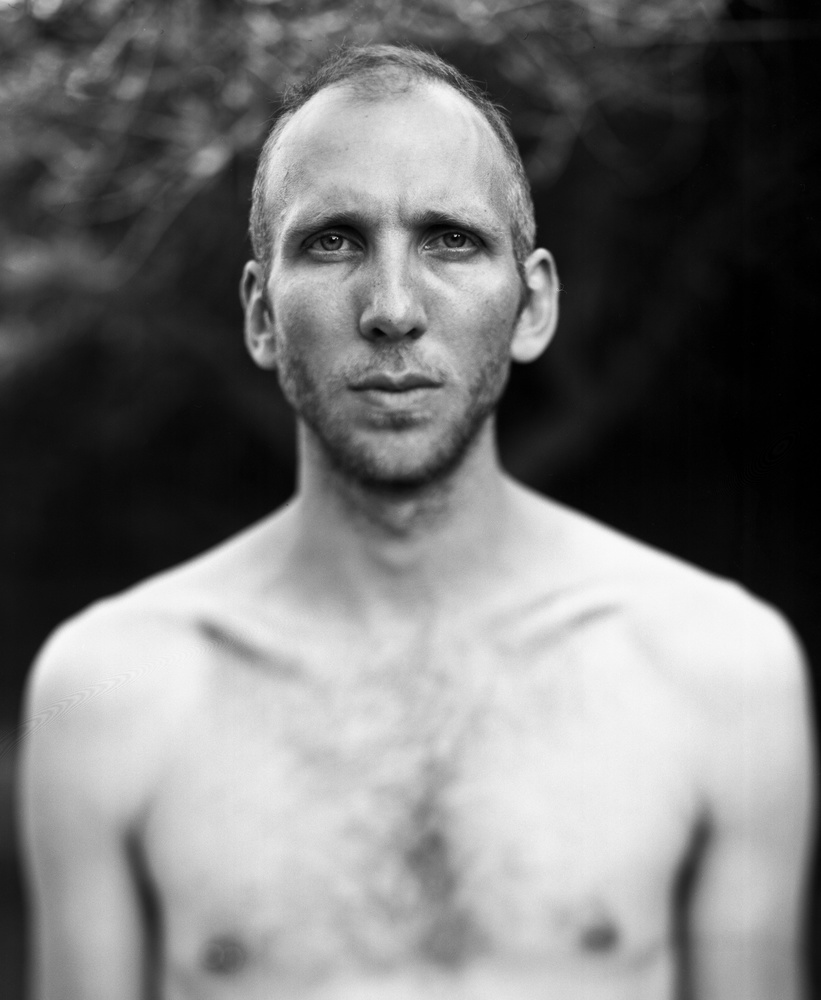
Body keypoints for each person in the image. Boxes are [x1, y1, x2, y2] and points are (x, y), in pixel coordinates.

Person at [18, 43, 815, 1000]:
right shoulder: (109, 694)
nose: (392, 309)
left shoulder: (719, 671)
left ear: (533, 305)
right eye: (332, 242)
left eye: (449, 240)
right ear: (261, 315)